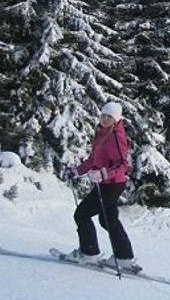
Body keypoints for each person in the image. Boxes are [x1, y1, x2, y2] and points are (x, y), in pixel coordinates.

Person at [65, 101, 137, 271]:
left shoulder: (116, 137)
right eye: (103, 115)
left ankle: (89, 254)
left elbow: (123, 164)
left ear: (116, 119)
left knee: (81, 214)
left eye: (109, 116)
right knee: (108, 219)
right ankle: (124, 257)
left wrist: (104, 173)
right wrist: (77, 171)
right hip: (108, 184)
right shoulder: (102, 133)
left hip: (111, 185)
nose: (105, 119)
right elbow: (93, 160)